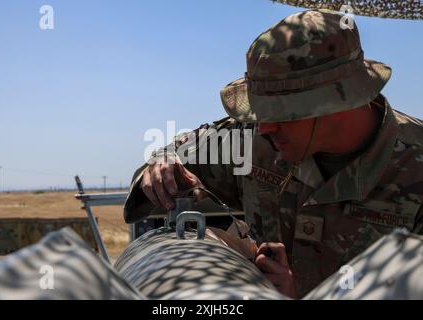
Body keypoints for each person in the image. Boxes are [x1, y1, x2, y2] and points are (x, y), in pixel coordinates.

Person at [123, 10, 423, 298]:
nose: (264, 128)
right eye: (260, 111)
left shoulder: (415, 169)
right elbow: (171, 156)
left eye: (282, 112)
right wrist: (162, 166)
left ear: (340, 102)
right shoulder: (253, 141)